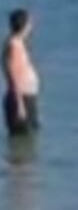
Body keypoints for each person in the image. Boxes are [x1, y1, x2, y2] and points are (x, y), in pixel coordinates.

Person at [3, 8, 39, 137]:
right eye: (29, 23)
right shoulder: (14, 45)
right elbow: (13, 76)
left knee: (28, 139)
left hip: (25, 97)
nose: (31, 26)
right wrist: (20, 105)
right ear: (23, 25)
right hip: (21, 98)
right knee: (25, 138)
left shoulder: (16, 42)